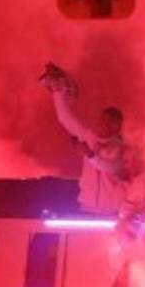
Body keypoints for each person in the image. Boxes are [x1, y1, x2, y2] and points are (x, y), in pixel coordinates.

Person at [40, 62, 129, 215]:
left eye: (110, 122)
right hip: (86, 209)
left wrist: (90, 154)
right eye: (102, 120)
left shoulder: (122, 148)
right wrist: (57, 91)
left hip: (112, 212)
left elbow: (112, 168)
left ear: (117, 127)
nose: (103, 124)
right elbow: (65, 118)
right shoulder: (88, 137)